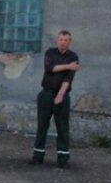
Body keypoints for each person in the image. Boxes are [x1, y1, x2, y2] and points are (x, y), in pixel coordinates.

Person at [31, 30, 80, 168]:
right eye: (61, 39)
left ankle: (63, 159)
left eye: (66, 40)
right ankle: (38, 156)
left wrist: (60, 95)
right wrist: (68, 66)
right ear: (57, 40)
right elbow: (50, 68)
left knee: (62, 127)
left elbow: (68, 78)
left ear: (69, 42)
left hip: (62, 96)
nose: (63, 42)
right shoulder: (50, 53)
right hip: (46, 94)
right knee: (42, 125)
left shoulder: (73, 56)